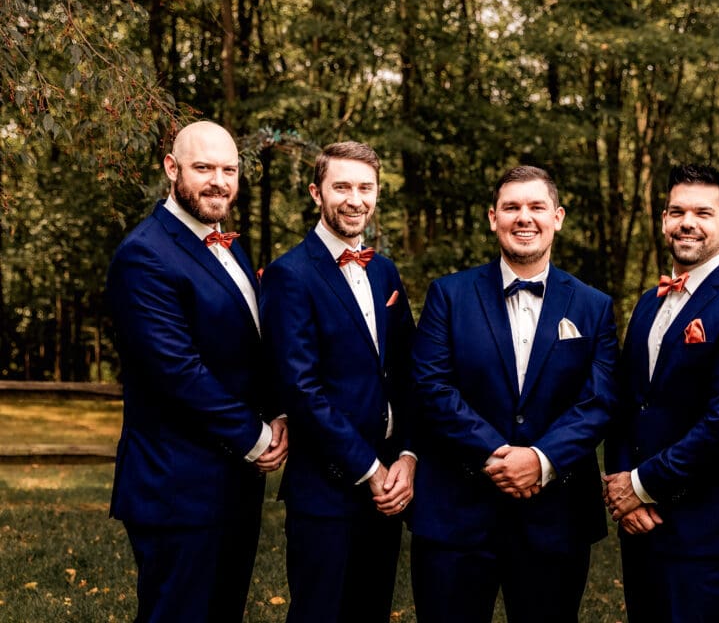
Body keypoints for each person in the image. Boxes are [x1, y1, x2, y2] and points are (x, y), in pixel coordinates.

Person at [408, 165, 618, 623]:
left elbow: (598, 401)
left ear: (557, 217)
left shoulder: (594, 306)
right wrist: (496, 453)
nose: (525, 218)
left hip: (555, 518)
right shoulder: (448, 294)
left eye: (536, 207)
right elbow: (431, 385)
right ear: (492, 217)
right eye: (512, 207)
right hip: (457, 513)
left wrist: (540, 460)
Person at [107, 120, 288, 622]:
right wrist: (256, 438)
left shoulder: (228, 245)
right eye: (203, 167)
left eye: (228, 169)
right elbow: (177, 371)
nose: (218, 181)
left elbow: (246, 350)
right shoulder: (144, 255)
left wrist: (276, 412)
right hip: (177, 487)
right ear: (171, 168)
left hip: (232, 483)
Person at [604, 164, 719, 622]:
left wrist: (640, 486)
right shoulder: (649, 303)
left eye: (703, 212)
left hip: (705, 529)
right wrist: (621, 486)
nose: (687, 222)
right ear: (664, 220)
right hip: (640, 524)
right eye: (676, 211)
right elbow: (628, 402)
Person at [259, 141, 416, 622]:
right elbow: (301, 390)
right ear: (316, 192)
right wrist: (370, 471)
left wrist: (407, 457)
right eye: (342, 186)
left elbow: (409, 372)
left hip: (391, 486)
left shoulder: (384, 269)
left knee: (371, 610)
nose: (355, 199)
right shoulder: (290, 274)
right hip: (327, 486)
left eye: (365, 187)